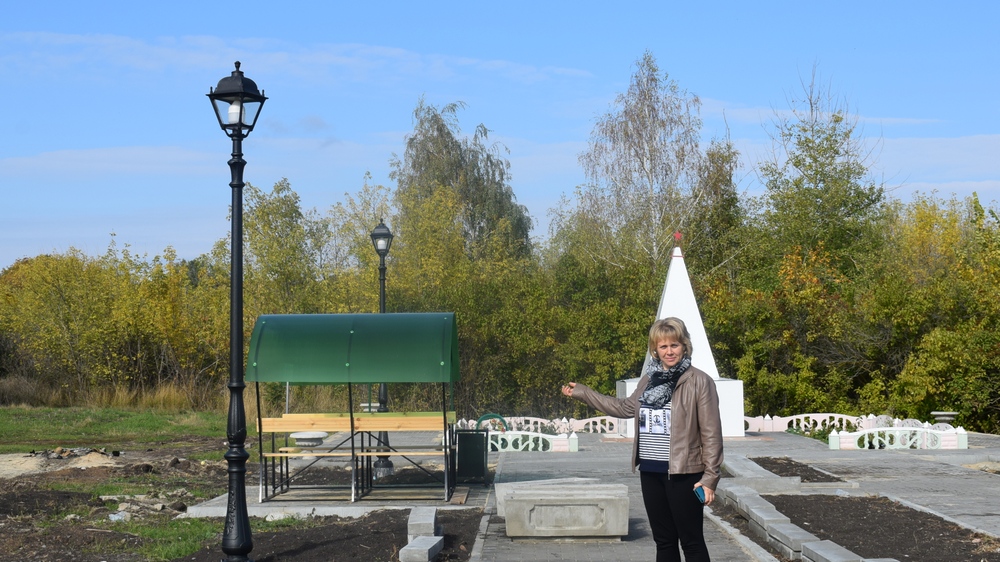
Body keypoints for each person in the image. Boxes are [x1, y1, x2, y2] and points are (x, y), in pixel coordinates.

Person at [561, 317, 723, 562]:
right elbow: (625, 408)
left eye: (674, 345)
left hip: (683, 473)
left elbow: (711, 434)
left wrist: (710, 478)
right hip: (650, 470)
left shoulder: (699, 381)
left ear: (684, 346)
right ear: (655, 350)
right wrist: (585, 393)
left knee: (691, 542)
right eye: (663, 346)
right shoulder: (649, 379)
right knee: (664, 541)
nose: (669, 351)